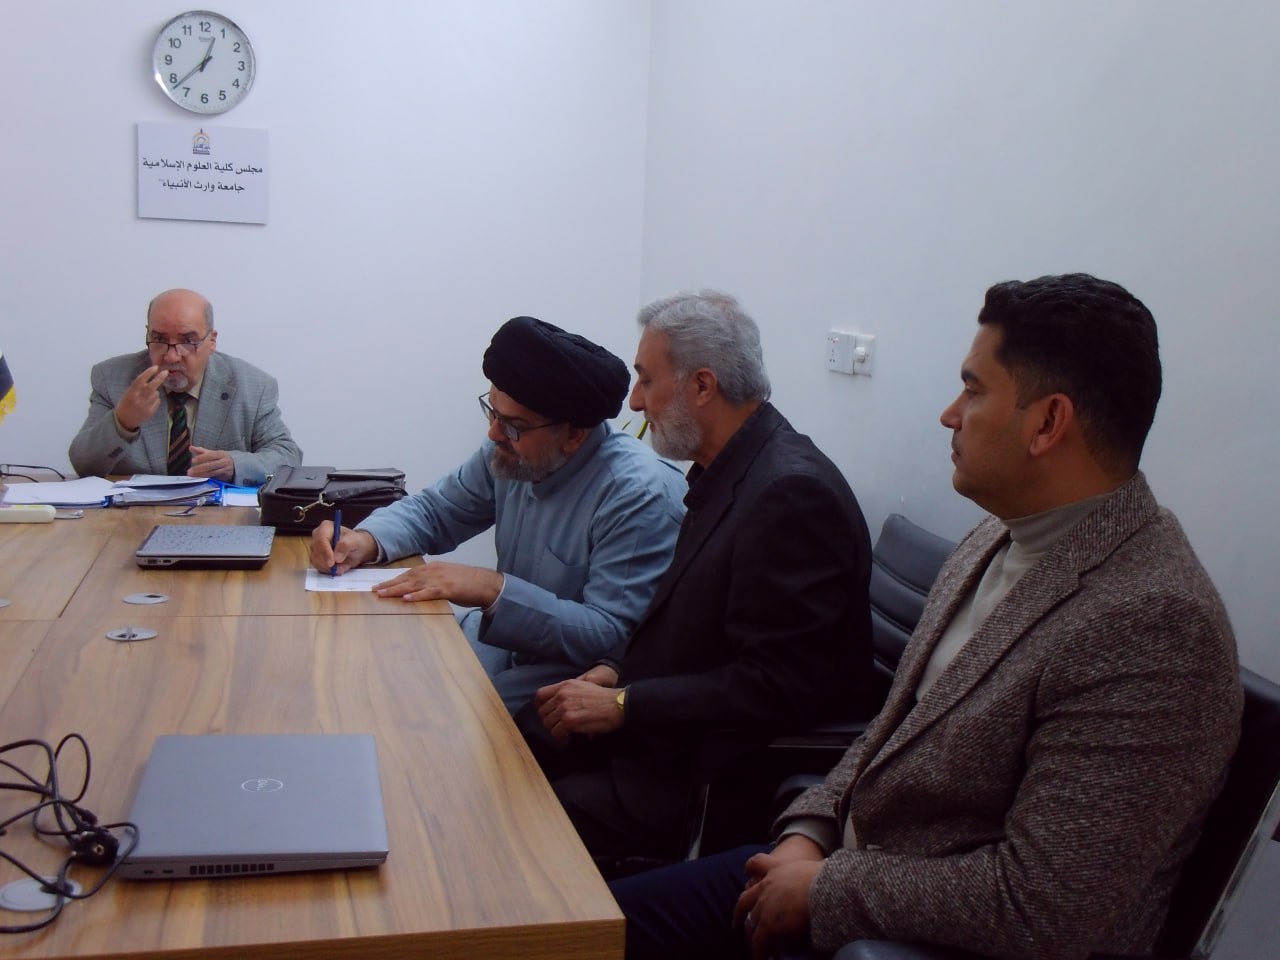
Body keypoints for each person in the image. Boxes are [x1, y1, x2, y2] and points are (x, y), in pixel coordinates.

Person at [611, 274, 1242, 960]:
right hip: (843, 872)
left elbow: (1045, 907)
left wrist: (825, 888)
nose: (949, 414)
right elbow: (893, 733)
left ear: (1047, 423)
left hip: (913, 936)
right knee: (580, 926)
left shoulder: (1153, 624)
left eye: (973, 391)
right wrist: (807, 833)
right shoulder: (995, 537)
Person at [526, 290, 874, 864]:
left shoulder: (791, 495)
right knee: (520, 734)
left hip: (704, 774)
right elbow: (687, 622)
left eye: (645, 380)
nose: (634, 402)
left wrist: (624, 704)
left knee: (524, 815)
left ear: (703, 386)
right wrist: (614, 669)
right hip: (664, 733)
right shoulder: (729, 468)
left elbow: (775, 686)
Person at [310, 315, 687, 714]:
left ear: (575, 434)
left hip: (562, 681)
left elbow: (610, 635)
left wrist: (492, 589)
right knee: (355, 671)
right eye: (492, 412)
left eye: (513, 425)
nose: (493, 434)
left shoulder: (639, 494)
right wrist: (364, 541)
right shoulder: (511, 451)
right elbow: (436, 510)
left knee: (411, 714)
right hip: (496, 648)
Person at [68, 288, 302, 484]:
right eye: (159, 340)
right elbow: (84, 465)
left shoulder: (253, 386)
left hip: (216, 516)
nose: (171, 356)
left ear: (212, 341)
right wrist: (123, 422)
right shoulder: (112, 378)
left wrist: (235, 464)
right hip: (132, 515)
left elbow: (288, 457)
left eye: (188, 341)